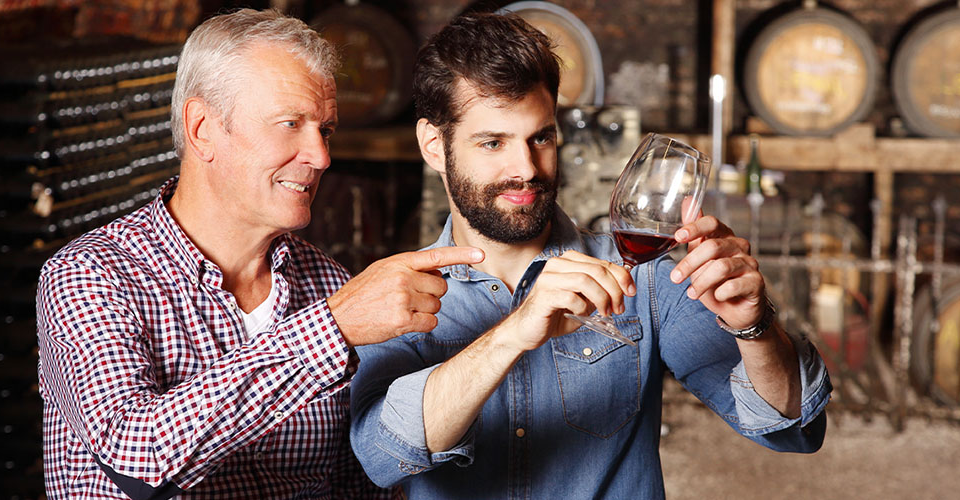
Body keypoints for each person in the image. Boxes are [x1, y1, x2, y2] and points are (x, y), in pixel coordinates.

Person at [349, 12, 832, 499]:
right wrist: (512, 335)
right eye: (492, 142)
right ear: (434, 146)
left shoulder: (645, 280)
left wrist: (755, 328)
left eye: (541, 138)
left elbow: (791, 428)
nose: (526, 168)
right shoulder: (396, 294)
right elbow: (380, 456)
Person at [35, 9, 483, 499]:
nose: (321, 156)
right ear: (202, 128)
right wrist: (332, 329)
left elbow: (360, 484)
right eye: (290, 123)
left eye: (325, 130)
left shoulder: (327, 282)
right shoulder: (90, 275)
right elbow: (136, 458)